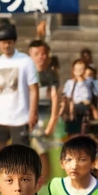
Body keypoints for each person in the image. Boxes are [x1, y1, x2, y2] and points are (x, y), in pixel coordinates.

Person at [0, 23, 38, 152]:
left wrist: (32, 114)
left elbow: (34, 89)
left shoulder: (26, 61)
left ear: (14, 42)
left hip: (20, 118)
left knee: (21, 158)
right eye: (3, 42)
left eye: (9, 42)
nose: (6, 45)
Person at [27, 39, 59, 184]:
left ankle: (44, 180)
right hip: (26, 117)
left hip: (44, 116)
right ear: (30, 55)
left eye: (44, 53)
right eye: (37, 54)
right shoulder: (25, 72)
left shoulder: (51, 75)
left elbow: (55, 98)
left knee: (42, 149)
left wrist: (52, 121)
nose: (41, 56)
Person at [61, 57, 93, 137]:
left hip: (83, 109)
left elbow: (89, 96)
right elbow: (66, 96)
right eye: (76, 69)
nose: (79, 71)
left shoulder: (88, 83)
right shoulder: (70, 83)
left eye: (81, 69)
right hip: (72, 110)